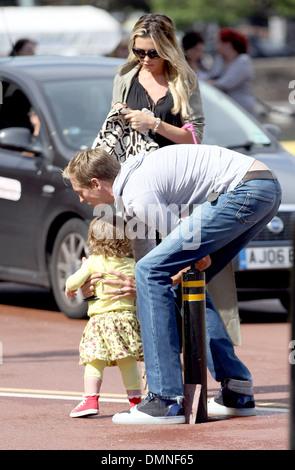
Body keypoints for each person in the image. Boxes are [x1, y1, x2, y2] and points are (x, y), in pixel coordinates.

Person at [62, 145, 281, 424]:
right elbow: (149, 254)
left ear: (96, 183)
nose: (81, 200)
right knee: (182, 281)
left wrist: (180, 264)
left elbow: (178, 241)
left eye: (81, 192)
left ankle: (165, 400)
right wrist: (145, 286)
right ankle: (236, 389)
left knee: (157, 272)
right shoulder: (131, 189)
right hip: (265, 189)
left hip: (245, 191)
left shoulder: (137, 194)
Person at [65, 216, 143, 418]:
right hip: (126, 319)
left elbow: (73, 281)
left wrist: (69, 289)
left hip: (100, 320)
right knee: (128, 362)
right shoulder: (132, 264)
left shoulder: (93, 262)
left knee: (94, 360)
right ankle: (135, 402)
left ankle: (90, 400)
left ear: (93, 239)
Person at [109, 13, 205, 148]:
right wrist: (119, 113)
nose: (146, 59)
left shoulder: (184, 80)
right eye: (139, 52)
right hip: (135, 166)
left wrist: (153, 123)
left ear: (167, 49)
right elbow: (115, 132)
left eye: (154, 53)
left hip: (174, 166)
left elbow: (195, 139)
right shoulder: (124, 78)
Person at [208, 28, 256, 115]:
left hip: (242, 108)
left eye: (219, 42)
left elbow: (227, 84)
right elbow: (213, 76)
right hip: (226, 109)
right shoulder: (220, 59)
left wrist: (209, 83)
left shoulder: (243, 60)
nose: (216, 47)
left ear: (227, 44)